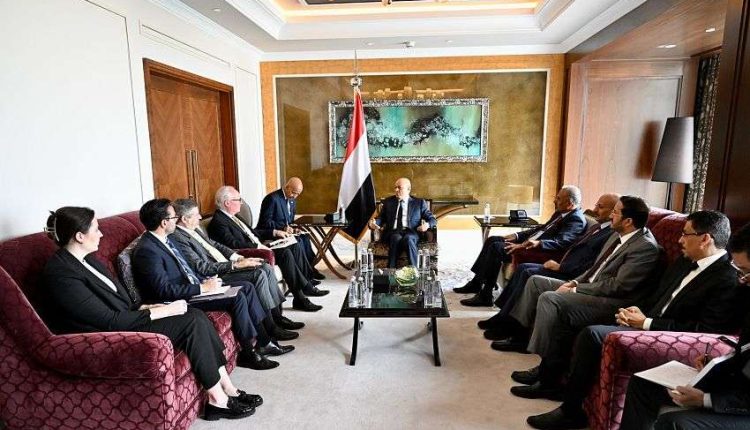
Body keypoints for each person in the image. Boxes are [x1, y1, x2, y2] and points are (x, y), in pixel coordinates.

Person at [523, 211, 743, 429]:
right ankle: (549, 381)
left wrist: (646, 323)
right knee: (569, 313)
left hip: (665, 336)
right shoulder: (685, 261)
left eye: (686, 234)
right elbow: (657, 296)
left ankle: (570, 412)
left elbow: (704, 329)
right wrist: (635, 312)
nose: (680, 240)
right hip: (647, 320)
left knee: (592, 334)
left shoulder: (727, 278)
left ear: (705, 239)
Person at [41, 207, 258, 421]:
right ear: (79, 236)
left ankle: (228, 388)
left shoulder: (88, 259)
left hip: (126, 318)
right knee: (191, 322)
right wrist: (163, 311)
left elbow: (121, 300)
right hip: (107, 335)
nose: (101, 234)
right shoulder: (61, 272)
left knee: (196, 315)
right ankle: (217, 400)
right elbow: (107, 320)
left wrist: (146, 307)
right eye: (96, 229)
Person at [491, 195, 660, 358]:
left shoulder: (644, 248)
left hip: (611, 300)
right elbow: (595, 268)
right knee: (535, 282)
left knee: (550, 298)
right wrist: (573, 282)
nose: (611, 216)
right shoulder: (617, 234)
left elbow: (617, 286)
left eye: (615, 212)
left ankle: (543, 359)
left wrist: (576, 289)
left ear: (628, 221)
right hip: (591, 286)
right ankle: (519, 335)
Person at [618, 222, 750, 430]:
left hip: (743, 405)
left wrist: (706, 399)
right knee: (643, 384)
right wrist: (715, 367)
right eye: (741, 271)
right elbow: (744, 352)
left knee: (674, 423)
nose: (742, 280)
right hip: (735, 386)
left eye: (746, 271)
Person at [132, 199, 291, 371]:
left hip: (197, 284)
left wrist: (204, 282)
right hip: (183, 297)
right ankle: (249, 353)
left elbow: (190, 265)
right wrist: (203, 287)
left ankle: (264, 341)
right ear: (164, 222)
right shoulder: (147, 250)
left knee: (247, 287)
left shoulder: (164, 239)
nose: (176, 220)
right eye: (174, 217)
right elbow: (164, 291)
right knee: (237, 296)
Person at [479, 193, 619, 336]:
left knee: (527, 271)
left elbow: (592, 262)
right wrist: (518, 236)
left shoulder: (608, 233)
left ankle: (510, 323)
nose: (594, 210)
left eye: (600, 207)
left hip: (571, 272)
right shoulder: (597, 227)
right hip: (565, 264)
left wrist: (561, 266)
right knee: (522, 267)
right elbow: (543, 230)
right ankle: (503, 314)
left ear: (614, 212)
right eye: (596, 205)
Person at [170, 198, 303, 333]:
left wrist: (239, 257)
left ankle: (278, 317)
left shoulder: (194, 229)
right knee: (258, 274)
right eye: (196, 214)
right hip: (217, 274)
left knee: (265, 267)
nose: (200, 217)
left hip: (226, 265)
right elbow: (201, 267)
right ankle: (271, 327)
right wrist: (234, 265)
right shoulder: (178, 237)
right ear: (184, 219)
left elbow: (215, 245)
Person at [456, 185, 588, 307]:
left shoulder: (576, 219)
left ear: (570, 204)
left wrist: (538, 243)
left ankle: (486, 295)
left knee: (497, 248)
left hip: (541, 251)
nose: (554, 201)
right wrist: (517, 236)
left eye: (558, 199)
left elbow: (563, 241)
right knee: (492, 239)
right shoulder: (560, 213)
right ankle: (477, 282)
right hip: (530, 244)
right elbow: (540, 229)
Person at [207, 186, 326, 312]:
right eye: (238, 200)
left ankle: (304, 286)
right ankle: (301, 296)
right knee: (285, 253)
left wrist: (275, 232)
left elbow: (253, 233)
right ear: (227, 203)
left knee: (293, 245)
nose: (241, 203)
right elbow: (233, 244)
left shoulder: (234, 217)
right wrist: (258, 247)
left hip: (261, 246)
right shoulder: (219, 222)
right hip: (250, 253)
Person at [257, 177, 324, 279]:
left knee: (305, 238)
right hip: (272, 232)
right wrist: (283, 228)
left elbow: (289, 221)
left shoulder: (292, 200)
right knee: (298, 241)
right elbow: (265, 222)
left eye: (298, 194)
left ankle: (310, 268)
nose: (295, 196)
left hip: (286, 232)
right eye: (293, 193)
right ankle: (306, 274)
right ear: (287, 187)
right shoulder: (272, 199)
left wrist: (294, 229)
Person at [367, 177, 437, 268]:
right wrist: (374, 223)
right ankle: (391, 271)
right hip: (393, 232)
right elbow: (381, 218)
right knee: (396, 237)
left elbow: (432, 219)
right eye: (395, 187)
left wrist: (427, 225)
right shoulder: (388, 202)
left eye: (399, 187)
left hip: (411, 232)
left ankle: (414, 271)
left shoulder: (419, 203)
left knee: (409, 239)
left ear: (408, 189)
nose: (396, 190)